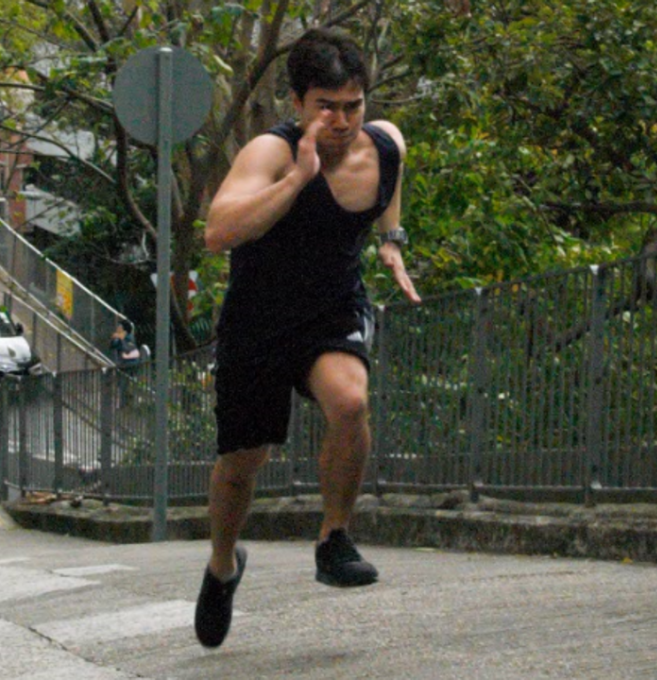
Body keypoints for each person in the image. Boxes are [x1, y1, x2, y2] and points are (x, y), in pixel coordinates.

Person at [193, 27, 421, 649]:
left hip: (331, 310)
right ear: (298, 103)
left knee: (350, 401)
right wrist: (297, 178)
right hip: (258, 322)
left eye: (353, 105)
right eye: (327, 106)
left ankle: (334, 538)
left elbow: (390, 188)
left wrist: (392, 244)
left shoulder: (387, 144)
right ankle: (222, 566)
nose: (342, 120)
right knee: (243, 463)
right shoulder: (269, 153)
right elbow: (218, 233)